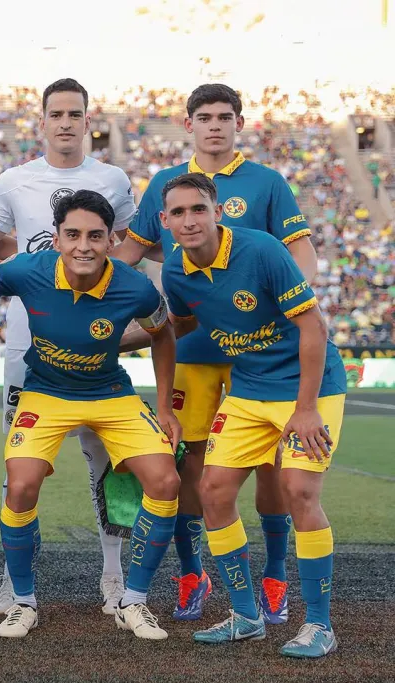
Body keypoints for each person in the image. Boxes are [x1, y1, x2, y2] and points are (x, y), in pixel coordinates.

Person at [114, 84, 318, 622]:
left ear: (239, 124)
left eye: (224, 117)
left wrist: (299, 302)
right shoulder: (165, 184)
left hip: (262, 351)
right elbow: (129, 255)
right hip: (196, 347)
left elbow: (299, 250)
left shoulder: (267, 182)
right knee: (191, 462)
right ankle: (190, 571)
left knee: (271, 463)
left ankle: (274, 575)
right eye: (203, 117)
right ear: (188, 125)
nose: (214, 126)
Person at [0, 78, 138, 616]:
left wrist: (105, 314)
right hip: (26, 350)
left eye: (74, 113)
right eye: (55, 113)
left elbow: (128, 250)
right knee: (21, 467)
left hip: (95, 349)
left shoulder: (114, 179)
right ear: (42, 120)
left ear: (88, 120)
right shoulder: (15, 180)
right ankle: (16, 581)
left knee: (105, 463)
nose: (64, 121)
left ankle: (113, 573)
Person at [159, 173, 344, 658]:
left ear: (218, 211)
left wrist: (305, 410)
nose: (189, 219)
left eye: (198, 208)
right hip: (249, 391)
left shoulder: (261, 249)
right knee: (213, 490)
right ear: (165, 222)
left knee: (299, 491)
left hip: (308, 388)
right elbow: (179, 325)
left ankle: (319, 625)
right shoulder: (176, 273)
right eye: (178, 212)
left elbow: (314, 326)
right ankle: (245, 615)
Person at [0, 190, 181, 641]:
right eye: (72, 234)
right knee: (19, 485)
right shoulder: (24, 271)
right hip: (45, 393)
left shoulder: (134, 286)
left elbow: (164, 333)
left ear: (112, 241)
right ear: (55, 238)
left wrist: (165, 406)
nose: (84, 245)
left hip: (110, 393)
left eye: (95, 236)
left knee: (166, 482)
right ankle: (23, 602)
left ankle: (133, 601)